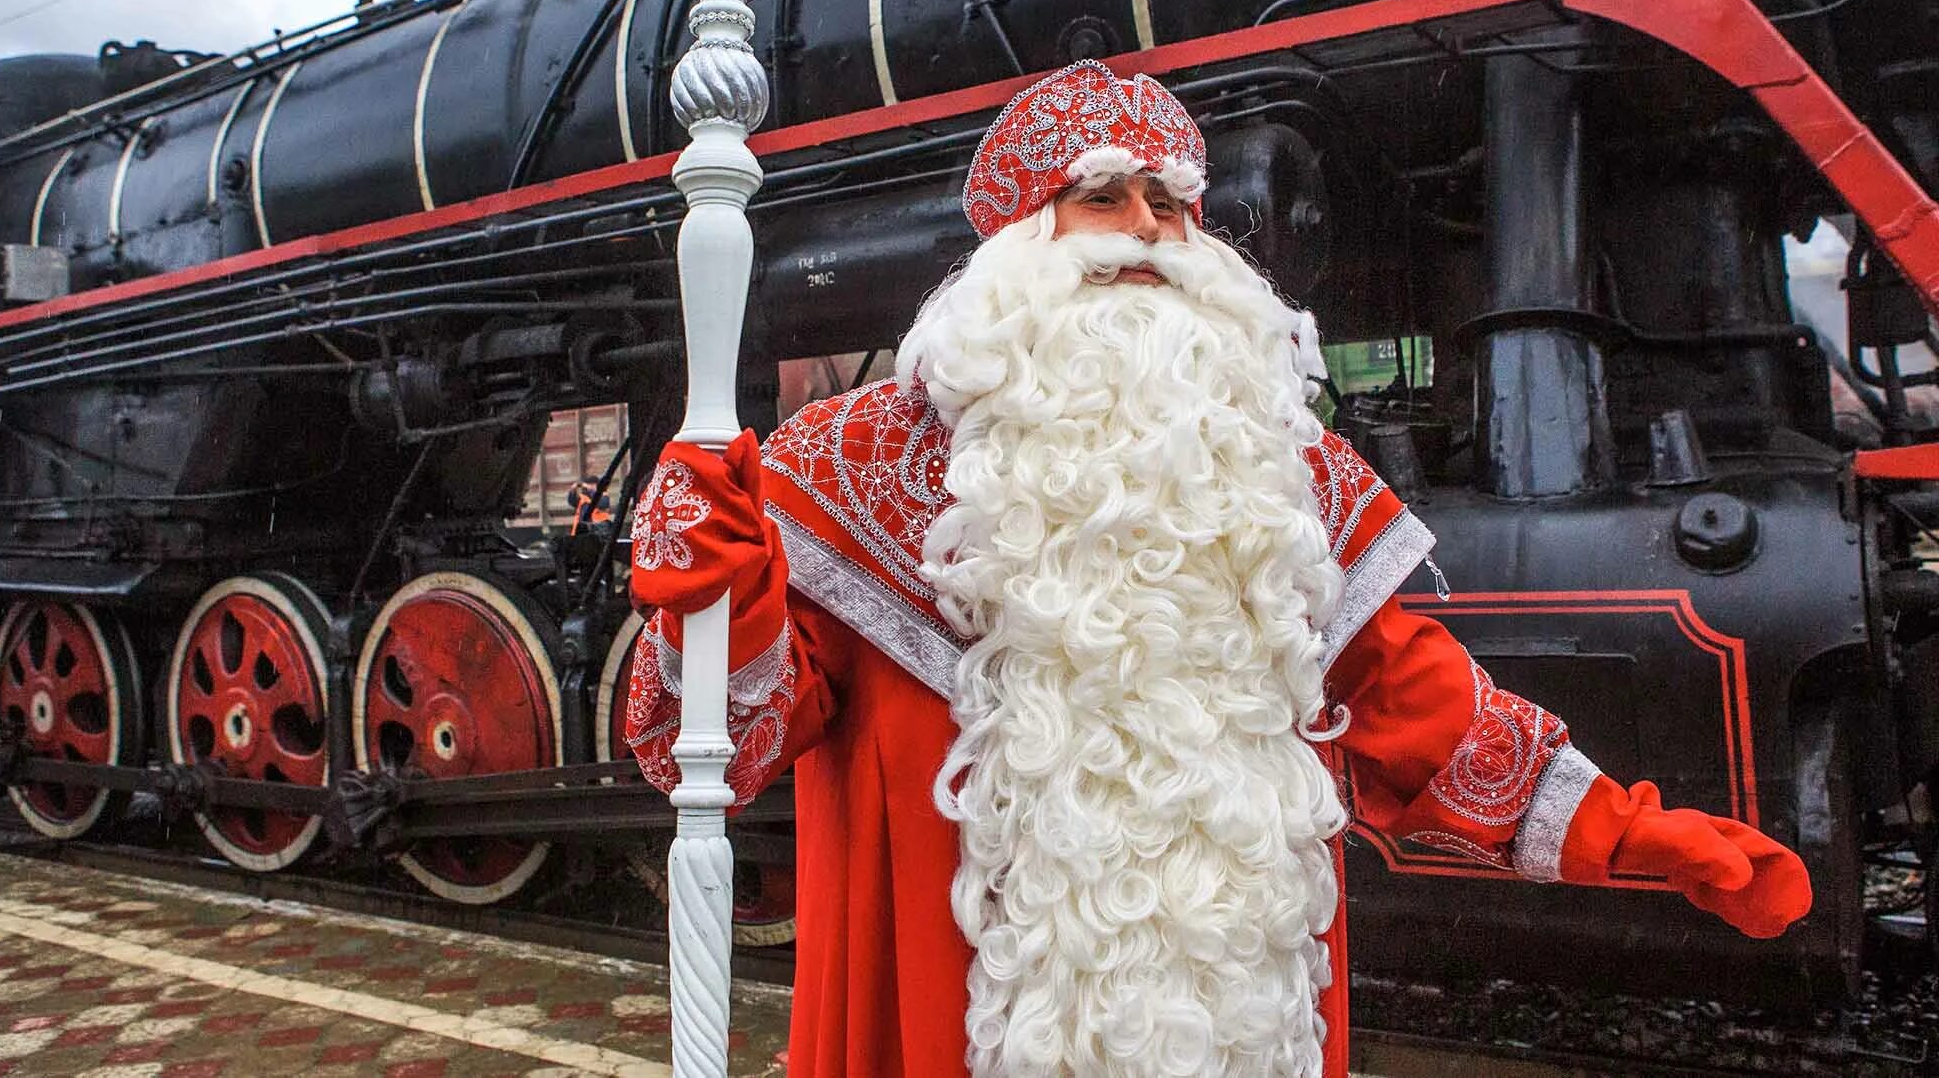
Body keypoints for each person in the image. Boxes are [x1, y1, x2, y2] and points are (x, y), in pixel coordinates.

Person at [621, 59, 1812, 1078]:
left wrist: (1632, 833)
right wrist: (708, 599)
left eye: (1171, 203)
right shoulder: (849, 463)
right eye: (1099, 196)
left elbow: (1418, 706)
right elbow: (718, 742)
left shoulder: (1284, 473)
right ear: (1018, 245)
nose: (1145, 226)